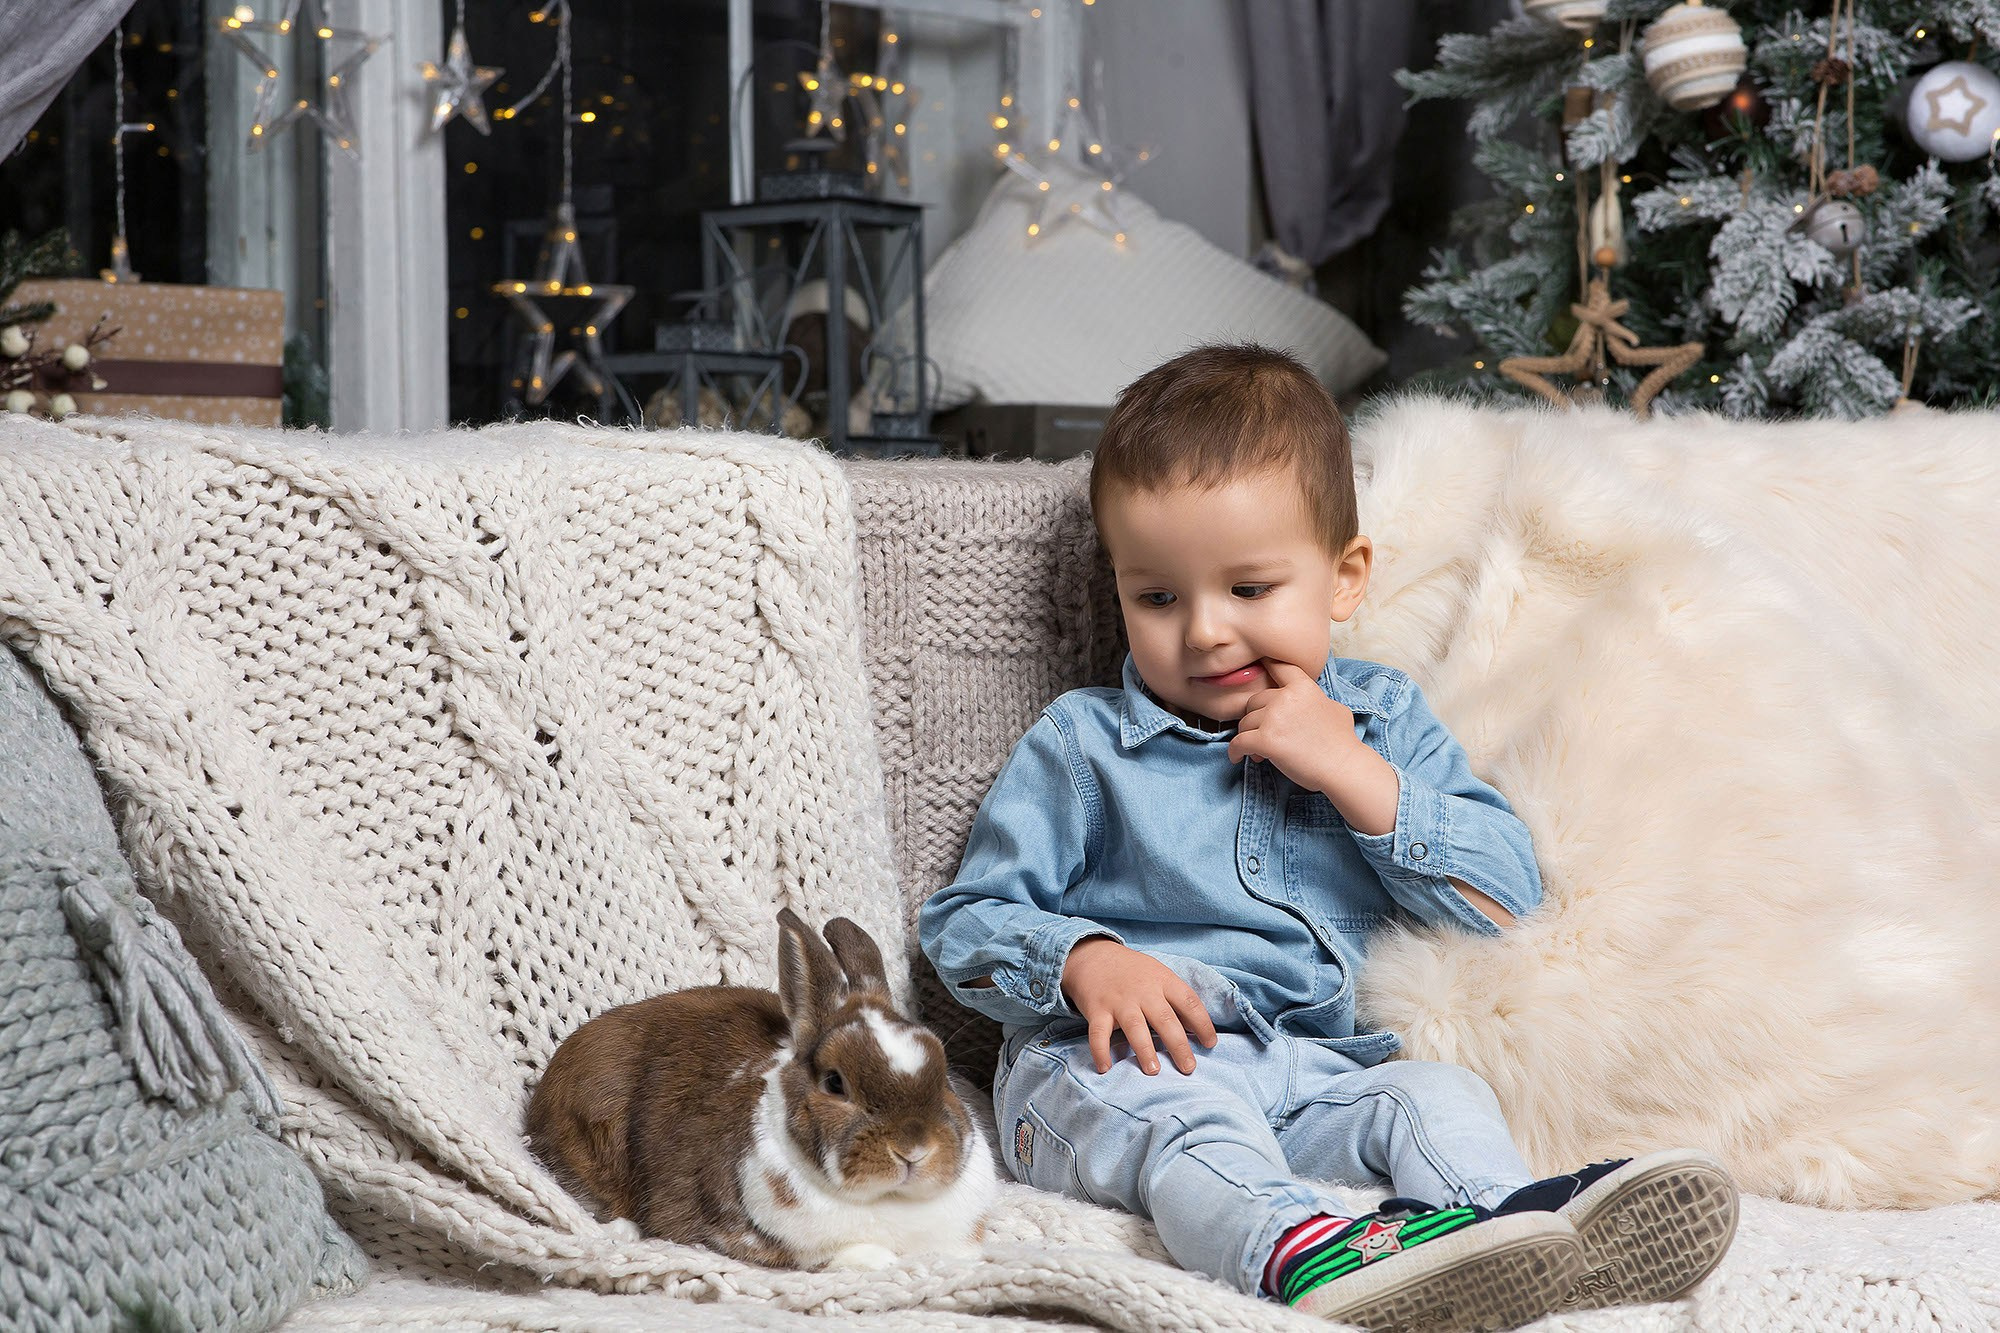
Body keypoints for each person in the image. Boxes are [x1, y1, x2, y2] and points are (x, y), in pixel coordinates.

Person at [918, 344, 1738, 1331]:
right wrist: (1083, 959)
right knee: (1190, 1128)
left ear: (1343, 579)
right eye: (1158, 597)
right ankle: (1297, 1250)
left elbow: (1504, 895)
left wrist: (1354, 775)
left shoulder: (1380, 720)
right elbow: (963, 923)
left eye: (1248, 589)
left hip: (1317, 1071)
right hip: (1117, 1073)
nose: (1205, 631)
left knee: (1430, 1093)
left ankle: (1512, 1227)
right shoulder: (1084, 746)